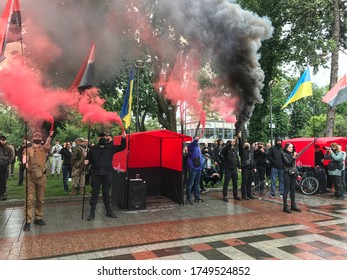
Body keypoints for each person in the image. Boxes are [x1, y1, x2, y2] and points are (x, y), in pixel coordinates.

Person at [85, 131, 126, 220]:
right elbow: (88, 159)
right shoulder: (93, 149)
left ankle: (109, 211)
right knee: (95, 193)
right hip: (96, 174)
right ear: (98, 138)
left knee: (106, 193)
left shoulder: (110, 148)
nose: (102, 138)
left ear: (106, 138)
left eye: (104, 136)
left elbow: (122, 147)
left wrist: (123, 138)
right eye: (100, 137)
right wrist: (86, 161)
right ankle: (92, 213)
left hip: (107, 174)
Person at [22, 130, 54, 231]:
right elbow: (24, 161)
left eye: (39, 136)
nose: (37, 137)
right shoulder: (27, 150)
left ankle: (38, 217)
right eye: (35, 135)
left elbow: (48, 143)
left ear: (41, 139)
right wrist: (28, 167)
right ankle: (27, 221)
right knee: (29, 199)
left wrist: (50, 136)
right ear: (32, 138)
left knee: (40, 199)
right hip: (31, 177)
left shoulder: (44, 148)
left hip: (42, 177)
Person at [281, 143, 301, 213]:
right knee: (286, 189)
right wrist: (293, 157)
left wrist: (297, 173)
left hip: (293, 173)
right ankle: (285, 206)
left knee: (293, 189)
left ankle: (293, 205)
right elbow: (288, 163)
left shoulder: (292, 154)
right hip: (286, 173)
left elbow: (293, 165)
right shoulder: (283, 154)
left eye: (292, 147)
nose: (291, 148)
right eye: (290, 147)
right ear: (286, 148)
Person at [186, 136, 204, 204]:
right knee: (190, 183)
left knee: (197, 183)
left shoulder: (198, 148)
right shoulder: (191, 146)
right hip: (193, 167)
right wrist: (197, 138)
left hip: (198, 168)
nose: (197, 139)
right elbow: (194, 142)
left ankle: (197, 197)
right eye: (196, 138)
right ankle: (188, 198)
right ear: (193, 140)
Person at [0, 135, 14, 201]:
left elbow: (12, 155)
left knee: (3, 180)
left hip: (4, 166)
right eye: (1, 140)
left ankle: (2, 194)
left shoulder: (8, 148)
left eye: (4, 140)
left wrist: (8, 162)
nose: (3, 141)